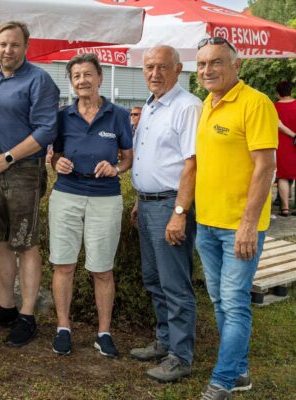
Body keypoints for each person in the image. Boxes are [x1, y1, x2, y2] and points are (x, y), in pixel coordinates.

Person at [195, 37, 278, 400]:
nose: (207, 70)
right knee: (219, 300)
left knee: (234, 301)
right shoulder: (206, 104)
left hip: (238, 228)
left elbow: (266, 166)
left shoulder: (256, 103)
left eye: (215, 63)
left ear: (235, 66)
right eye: (201, 65)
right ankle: (240, 371)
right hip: (207, 223)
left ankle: (224, 380)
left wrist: (247, 223)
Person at [0, 21, 59, 347]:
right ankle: (5, 306)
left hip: (22, 170)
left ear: (26, 47)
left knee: (26, 243)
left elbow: (47, 129)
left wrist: (8, 157)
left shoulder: (40, 80)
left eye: (15, 45)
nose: (8, 50)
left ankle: (27, 315)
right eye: (3, 44)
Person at [49, 54, 132, 357]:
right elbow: (54, 155)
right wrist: (58, 162)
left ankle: (104, 332)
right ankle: (63, 327)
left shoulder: (118, 115)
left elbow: (127, 157)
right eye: (76, 76)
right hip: (67, 194)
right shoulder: (62, 116)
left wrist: (117, 169)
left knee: (102, 269)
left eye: (87, 74)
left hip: (105, 198)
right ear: (71, 82)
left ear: (99, 78)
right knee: (64, 265)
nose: (82, 80)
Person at [130, 45, 202, 382]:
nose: (154, 74)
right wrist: (138, 200)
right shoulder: (151, 104)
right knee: (154, 280)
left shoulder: (187, 107)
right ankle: (164, 341)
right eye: (148, 67)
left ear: (177, 69)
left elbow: (192, 165)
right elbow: (150, 156)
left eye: (161, 67)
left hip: (170, 205)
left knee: (175, 285)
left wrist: (179, 213)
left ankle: (181, 356)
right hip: (148, 204)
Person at [274, 81, 296, 217]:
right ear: (291, 91)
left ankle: (285, 208)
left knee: (282, 175)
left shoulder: (274, 107)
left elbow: (278, 125)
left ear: (278, 93)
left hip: (282, 143)